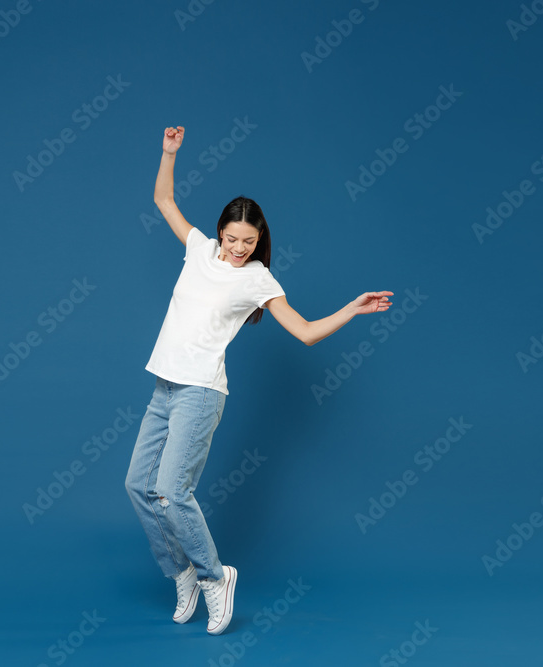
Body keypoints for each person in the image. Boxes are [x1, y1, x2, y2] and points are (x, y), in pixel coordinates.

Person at [125, 125, 392, 636]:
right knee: (138, 486)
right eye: (232, 239)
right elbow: (163, 198)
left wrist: (352, 309)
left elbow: (307, 333)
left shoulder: (258, 280)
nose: (239, 249)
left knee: (172, 491)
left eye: (249, 242)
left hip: (201, 392)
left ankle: (214, 576)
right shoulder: (200, 250)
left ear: (259, 240)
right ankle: (180, 570)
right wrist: (168, 152)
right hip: (165, 385)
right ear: (220, 232)